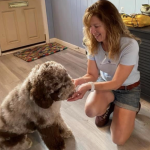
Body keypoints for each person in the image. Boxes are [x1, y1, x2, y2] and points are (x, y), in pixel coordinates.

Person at [68, 0, 141, 146]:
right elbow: (92, 75)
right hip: (105, 85)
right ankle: (110, 105)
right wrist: (76, 81)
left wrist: (88, 86)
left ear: (111, 23)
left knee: (118, 139)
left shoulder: (129, 45)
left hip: (127, 90)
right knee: (90, 110)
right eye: (89, 27)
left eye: (96, 26)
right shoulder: (92, 44)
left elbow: (116, 83)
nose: (92, 32)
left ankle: (132, 107)